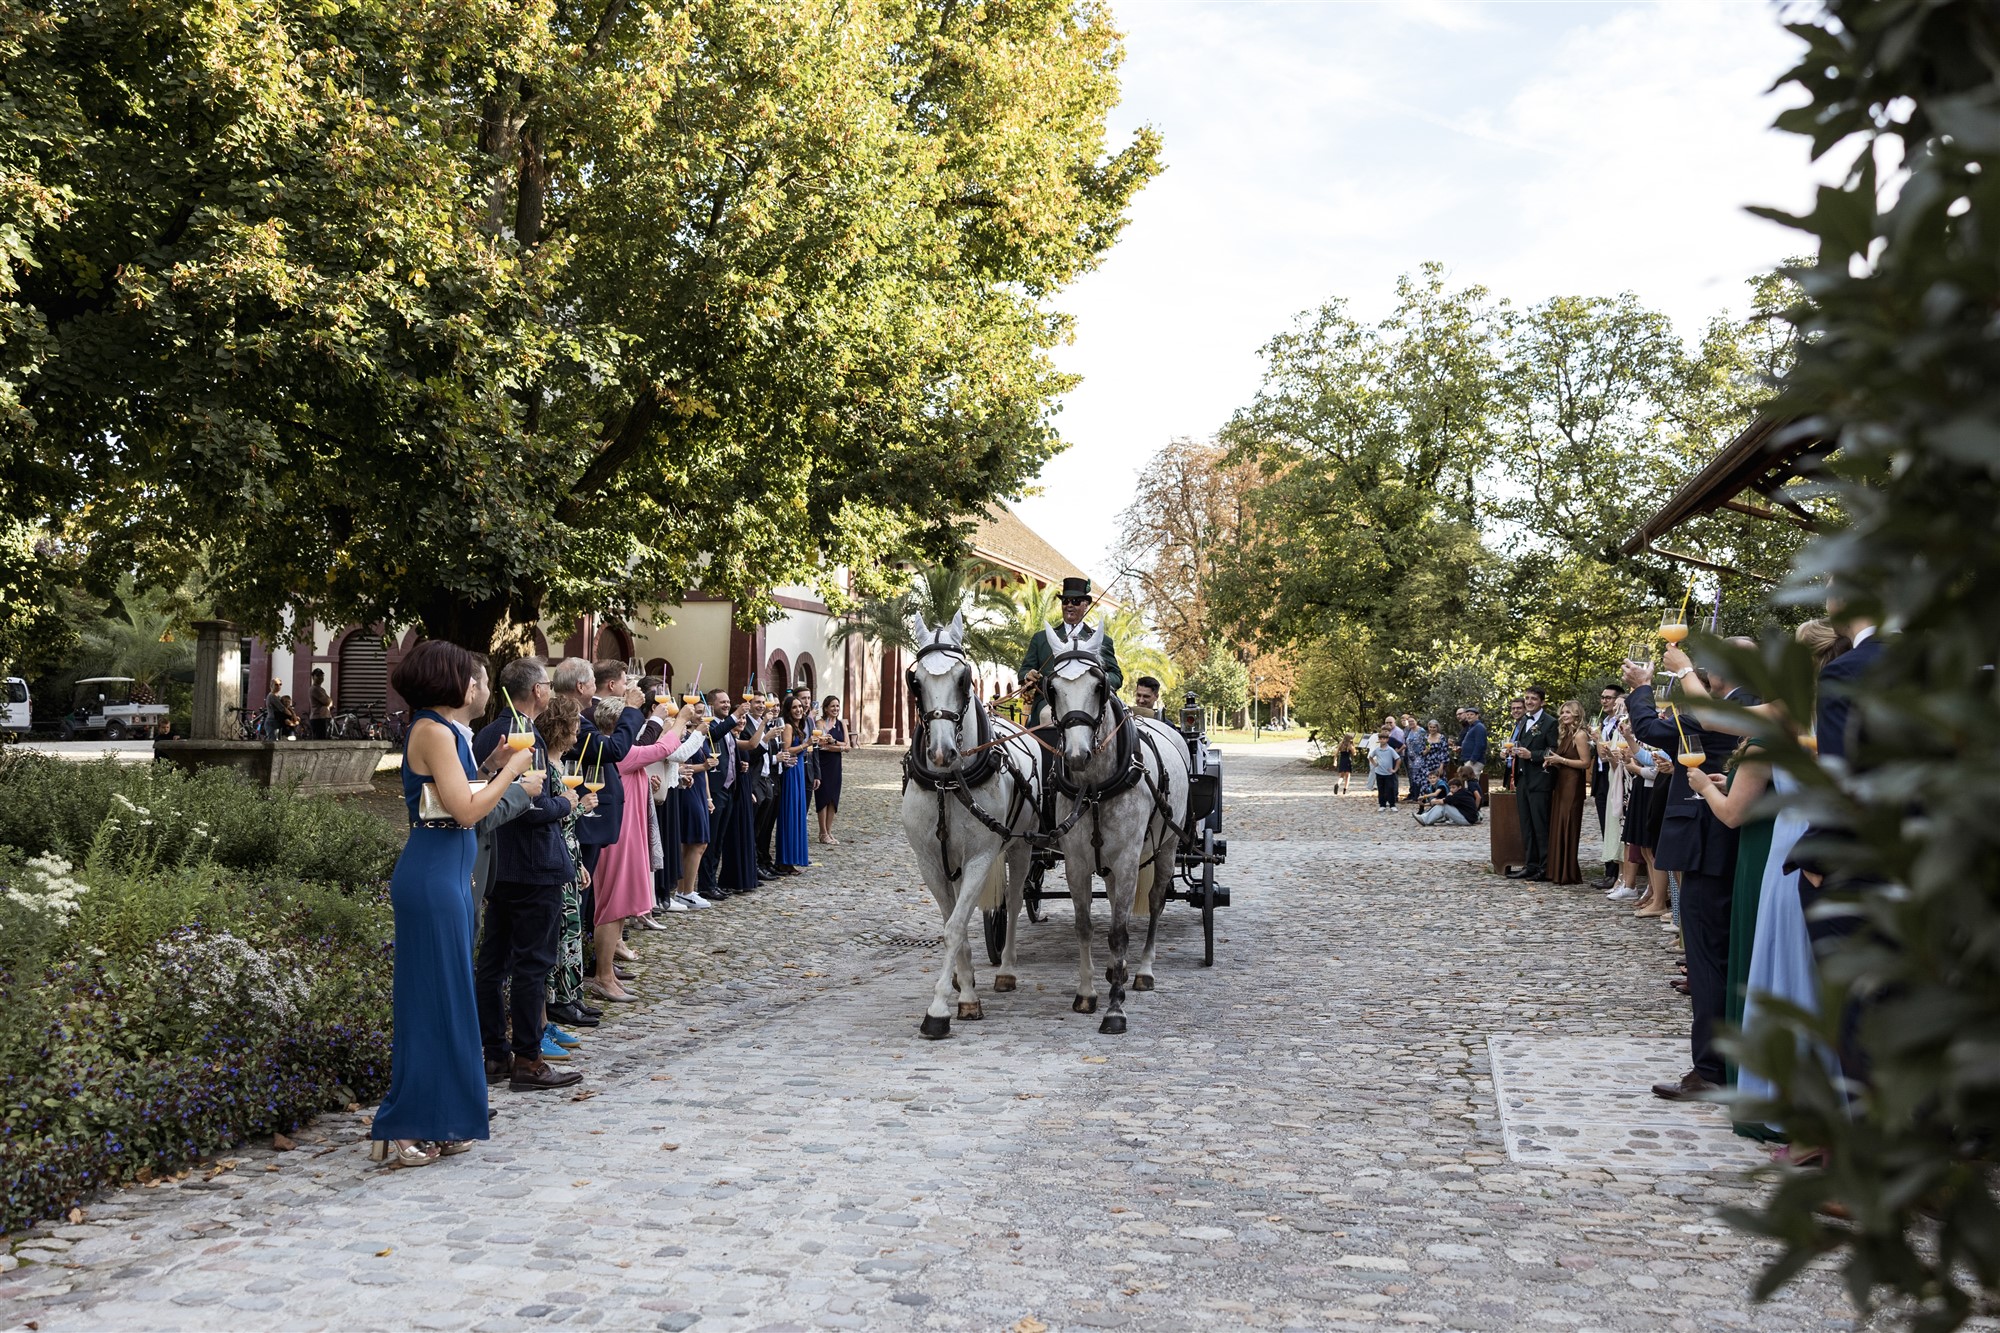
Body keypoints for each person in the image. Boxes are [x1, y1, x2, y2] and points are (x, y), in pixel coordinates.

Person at [372, 640, 538, 1169]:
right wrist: (513, 774)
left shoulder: (443, 731)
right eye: (479, 678)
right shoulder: (433, 731)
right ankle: (403, 1123)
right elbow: (465, 812)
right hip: (432, 880)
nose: (485, 686)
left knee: (448, 1001)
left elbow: (447, 797)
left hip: (449, 878)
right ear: (459, 685)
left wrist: (491, 764)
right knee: (430, 1002)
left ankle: (441, 1116)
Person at [1624, 646, 1760, 1100]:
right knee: (1728, 954)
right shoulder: (1758, 706)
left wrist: (1642, 687)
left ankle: (1710, 1068)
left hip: (1710, 841)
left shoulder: (1723, 712)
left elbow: (1649, 729)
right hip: (1737, 842)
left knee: (1708, 958)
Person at [475, 694, 582, 1093]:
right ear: (537, 690)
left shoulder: (487, 733)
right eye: (547, 685)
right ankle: (528, 1060)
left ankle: (494, 1053)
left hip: (500, 868)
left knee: (493, 964)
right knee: (531, 966)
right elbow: (531, 807)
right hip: (533, 868)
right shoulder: (524, 736)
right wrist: (565, 803)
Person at [586, 696, 692, 1003]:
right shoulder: (617, 751)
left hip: (629, 834)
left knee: (619, 908)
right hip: (617, 838)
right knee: (612, 907)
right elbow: (661, 748)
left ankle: (608, 973)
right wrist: (681, 721)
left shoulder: (621, 751)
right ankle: (603, 977)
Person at [536, 695, 599, 1032]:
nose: (578, 732)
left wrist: (580, 863)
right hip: (557, 854)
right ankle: (558, 998)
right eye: (574, 725)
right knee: (561, 929)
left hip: (570, 852)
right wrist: (580, 807)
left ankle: (572, 994)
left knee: (572, 927)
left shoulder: (561, 766)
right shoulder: (546, 767)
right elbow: (554, 817)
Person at [1019, 576, 1123, 720]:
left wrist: (1099, 681)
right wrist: (1028, 675)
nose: (1069, 605)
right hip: (1050, 701)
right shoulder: (1041, 638)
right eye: (1065, 601)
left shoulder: (1102, 640)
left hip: (1090, 702)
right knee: (1046, 716)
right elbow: (1024, 671)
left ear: (1086, 605)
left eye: (1075, 601)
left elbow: (1116, 675)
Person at [1503, 687, 1558, 880]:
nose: (1529, 701)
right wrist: (1511, 751)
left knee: (1540, 825)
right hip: (1523, 779)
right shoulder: (1523, 721)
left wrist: (1532, 755)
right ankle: (1531, 864)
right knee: (1526, 825)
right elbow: (1520, 744)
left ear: (1542, 702)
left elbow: (1553, 750)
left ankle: (1545, 867)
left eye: (1533, 698)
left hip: (1540, 779)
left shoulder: (1550, 722)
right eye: (1527, 698)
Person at [1542, 700, 1592, 885]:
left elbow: (1585, 763)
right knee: (1559, 823)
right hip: (1561, 782)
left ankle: (1567, 872)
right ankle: (1557, 869)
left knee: (1568, 823)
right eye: (1562, 712)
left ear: (1577, 714)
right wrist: (1552, 762)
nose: (1563, 715)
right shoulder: (1565, 734)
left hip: (1573, 783)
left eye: (1568, 712)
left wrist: (1560, 760)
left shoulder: (1580, 735)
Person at [1588, 684, 1626, 888]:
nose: (1604, 701)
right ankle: (1609, 869)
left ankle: (1615, 873)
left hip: (1615, 776)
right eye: (1603, 697)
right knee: (1605, 824)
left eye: (1609, 698)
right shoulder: (1604, 721)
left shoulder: (1622, 723)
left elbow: (1608, 751)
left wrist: (1599, 739)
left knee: (1615, 823)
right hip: (1602, 777)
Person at [776, 693, 813, 870]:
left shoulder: (800, 725)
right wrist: (806, 744)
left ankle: (794, 857)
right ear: (788, 711)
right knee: (790, 813)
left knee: (798, 813)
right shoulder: (788, 726)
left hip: (799, 770)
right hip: (791, 772)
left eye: (800, 707)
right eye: (794, 707)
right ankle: (785, 860)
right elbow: (787, 749)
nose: (798, 710)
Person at [815, 695, 849, 844]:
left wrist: (834, 742)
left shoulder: (841, 724)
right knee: (823, 797)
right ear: (825, 708)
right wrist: (840, 747)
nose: (835, 709)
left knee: (833, 799)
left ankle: (829, 831)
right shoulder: (820, 723)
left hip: (836, 765)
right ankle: (822, 832)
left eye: (837, 706)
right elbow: (821, 745)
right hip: (823, 764)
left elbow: (848, 746)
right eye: (832, 706)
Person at [1416, 773, 1481, 826]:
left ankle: (1425, 819)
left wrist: (1433, 801)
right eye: (1450, 788)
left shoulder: (1457, 795)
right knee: (1445, 805)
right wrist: (1426, 804)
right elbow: (1446, 800)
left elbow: (1443, 801)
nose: (1451, 790)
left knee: (1444, 806)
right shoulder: (1463, 792)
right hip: (1469, 818)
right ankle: (1426, 818)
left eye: (1453, 787)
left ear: (1459, 787)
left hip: (1467, 820)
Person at [1367, 729, 1402, 810]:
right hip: (1379, 772)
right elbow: (1370, 757)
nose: (1382, 740)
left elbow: (1398, 759)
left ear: (1387, 740)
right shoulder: (1377, 750)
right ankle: (1382, 805)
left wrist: (1395, 769)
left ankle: (1392, 805)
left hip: (1389, 773)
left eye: (1384, 739)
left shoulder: (1390, 749)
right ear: (1379, 740)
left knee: (1390, 789)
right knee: (1381, 789)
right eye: (1380, 739)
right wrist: (1374, 764)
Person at [1455, 706, 1488, 782]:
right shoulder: (1472, 727)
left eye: (1471, 714)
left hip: (1474, 761)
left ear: (1477, 716)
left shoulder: (1479, 727)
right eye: (1467, 715)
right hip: (1468, 759)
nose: (1469, 716)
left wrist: (1472, 760)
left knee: (1472, 783)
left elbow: (1480, 745)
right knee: (1467, 783)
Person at [308, 668, 333, 740]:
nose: (320, 677)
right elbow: (327, 702)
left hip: (324, 718)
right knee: (319, 741)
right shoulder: (314, 689)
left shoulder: (321, 689)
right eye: (318, 676)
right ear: (313, 677)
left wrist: (329, 701)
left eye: (322, 676)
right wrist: (329, 700)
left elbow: (330, 702)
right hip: (318, 718)